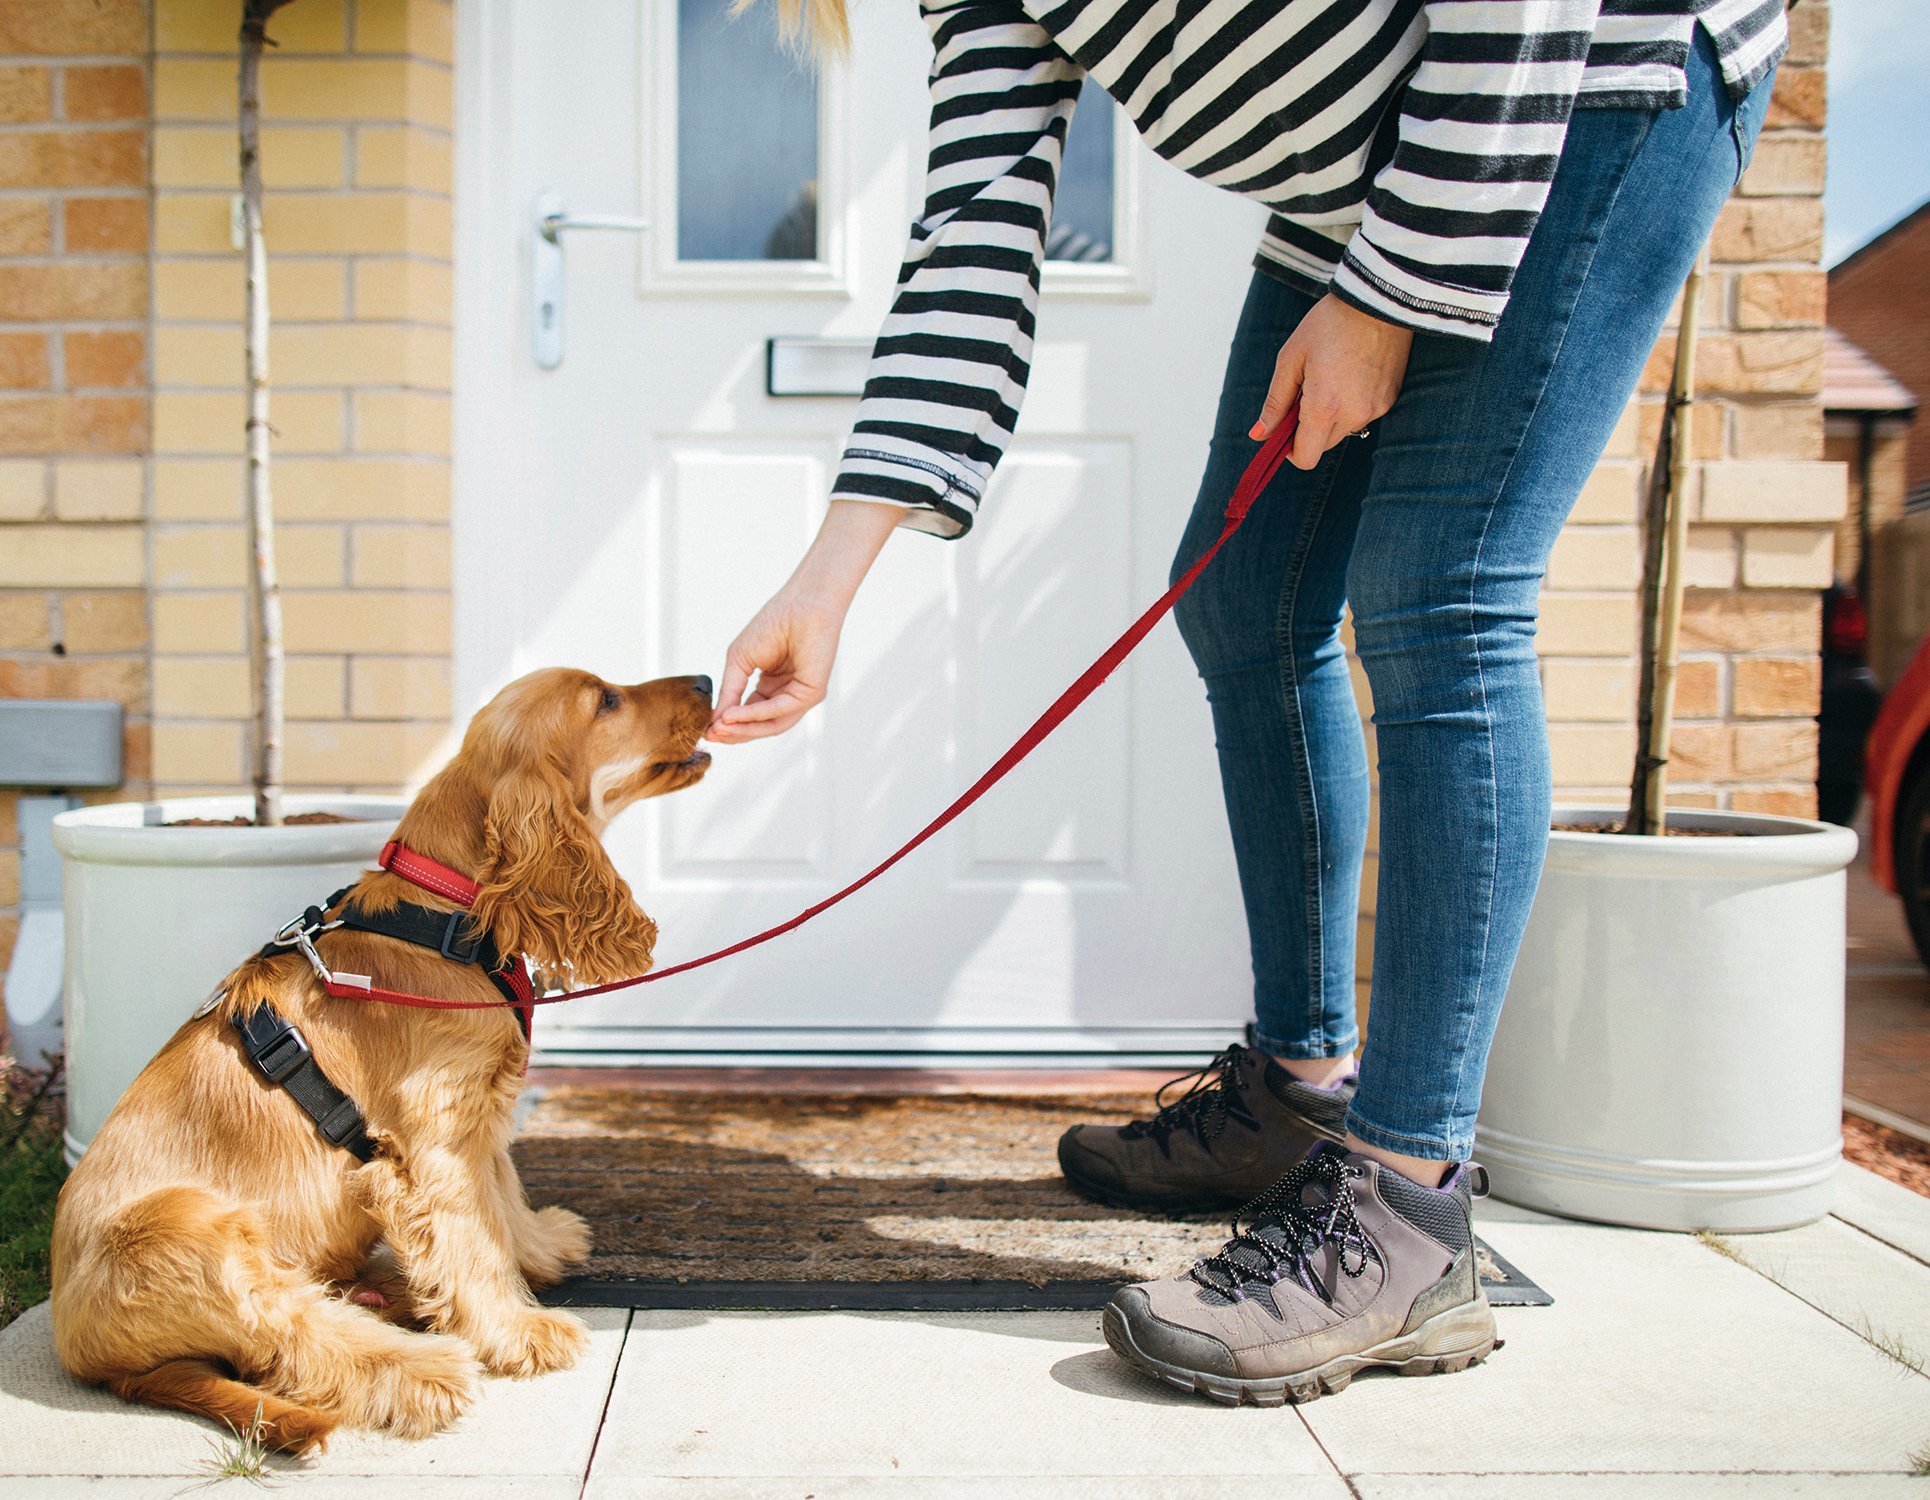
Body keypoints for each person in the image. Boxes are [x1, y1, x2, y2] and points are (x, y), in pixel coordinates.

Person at [707, 0, 1783, 1400]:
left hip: (1581, 77)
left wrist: (1393, 296)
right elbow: (971, 237)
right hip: (1364, 182)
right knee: (1245, 599)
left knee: (1439, 592)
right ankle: (1299, 1089)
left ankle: (1408, 1217)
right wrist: (826, 578)